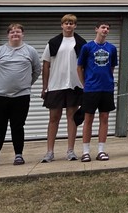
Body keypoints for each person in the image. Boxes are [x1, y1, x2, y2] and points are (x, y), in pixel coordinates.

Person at [0, 23, 41, 167]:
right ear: (8, 35)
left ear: (23, 34)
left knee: (18, 126)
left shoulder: (30, 51)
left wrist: (25, 85)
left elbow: (37, 71)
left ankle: (18, 155)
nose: (15, 34)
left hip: (21, 97)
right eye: (12, 32)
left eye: (18, 32)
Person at [40, 13, 86, 163]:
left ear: (75, 25)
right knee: (54, 118)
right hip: (56, 85)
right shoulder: (53, 43)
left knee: (72, 118)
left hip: (74, 85)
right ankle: (49, 152)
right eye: (66, 23)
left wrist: (84, 84)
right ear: (62, 25)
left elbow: (85, 66)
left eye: (71, 23)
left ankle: (70, 151)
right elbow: (46, 65)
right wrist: (45, 87)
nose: (68, 25)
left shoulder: (81, 43)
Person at [77, 22, 118, 161]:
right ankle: (86, 152)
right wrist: (85, 84)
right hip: (91, 89)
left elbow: (112, 67)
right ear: (96, 29)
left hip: (106, 88)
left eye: (107, 28)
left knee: (104, 118)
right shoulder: (87, 47)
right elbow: (80, 67)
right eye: (103, 27)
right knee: (88, 119)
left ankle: (101, 150)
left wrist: (108, 80)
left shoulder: (112, 48)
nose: (105, 30)